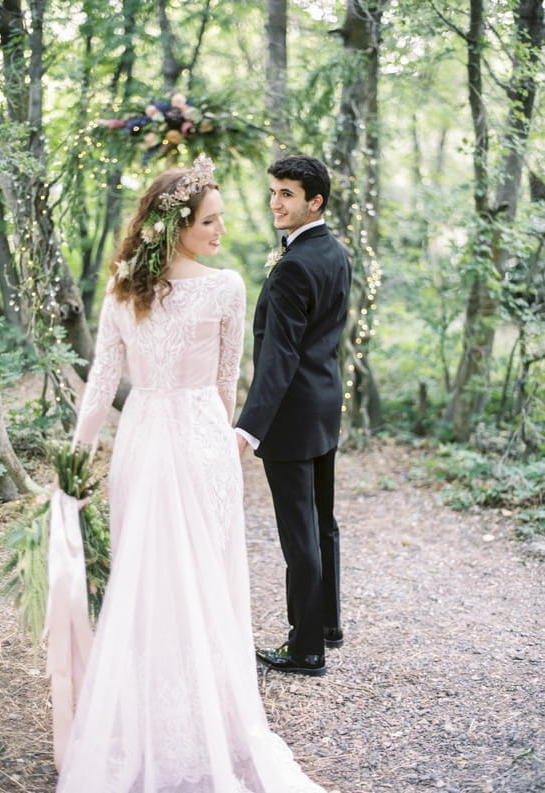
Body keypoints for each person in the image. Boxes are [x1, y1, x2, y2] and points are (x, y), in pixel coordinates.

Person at [54, 154, 330, 793]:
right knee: (162, 576)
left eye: (223, 220)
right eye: (210, 221)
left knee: (184, 574)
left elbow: (210, 381)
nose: (221, 232)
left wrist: (217, 445)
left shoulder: (172, 285)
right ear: (175, 225)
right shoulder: (167, 288)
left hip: (170, 439)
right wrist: (76, 456)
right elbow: (130, 383)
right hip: (172, 443)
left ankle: (200, 711)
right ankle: (175, 711)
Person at [236, 155, 351, 677]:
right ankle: (327, 623)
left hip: (290, 416)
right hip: (325, 406)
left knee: (300, 535)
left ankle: (306, 649)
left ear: (315, 201)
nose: (275, 203)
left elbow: (279, 357)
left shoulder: (293, 267)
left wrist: (249, 425)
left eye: (287, 194)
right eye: (274, 192)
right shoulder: (336, 253)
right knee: (322, 523)